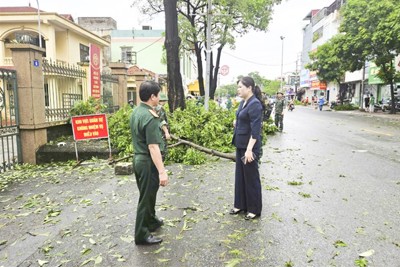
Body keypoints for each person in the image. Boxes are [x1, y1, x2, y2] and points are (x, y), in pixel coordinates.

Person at [129, 81, 169, 245]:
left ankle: (151, 221)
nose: (159, 98)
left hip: (138, 159)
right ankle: (141, 234)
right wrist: (162, 171)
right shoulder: (150, 117)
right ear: (152, 97)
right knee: (146, 198)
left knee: (149, 194)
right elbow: (153, 147)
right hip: (147, 161)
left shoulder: (136, 112)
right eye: (158, 95)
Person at [230, 76, 263, 220]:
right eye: (237, 87)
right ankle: (240, 205)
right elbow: (243, 119)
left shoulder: (255, 104)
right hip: (240, 144)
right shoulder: (243, 102)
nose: (238, 90)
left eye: (240, 87)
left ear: (249, 88)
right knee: (240, 176)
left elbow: (255, 130)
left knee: (251, 178)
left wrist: (250, 149)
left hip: (249, 146)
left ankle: (254, 209)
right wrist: (236, 122)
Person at [155, 92, 171, 160]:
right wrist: (166, 132)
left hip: (155, 133)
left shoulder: (153, 108)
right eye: (165, 101)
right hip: (161, 134)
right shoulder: (160, 109)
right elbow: (161, 121)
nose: (165, 103)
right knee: (162, 151)